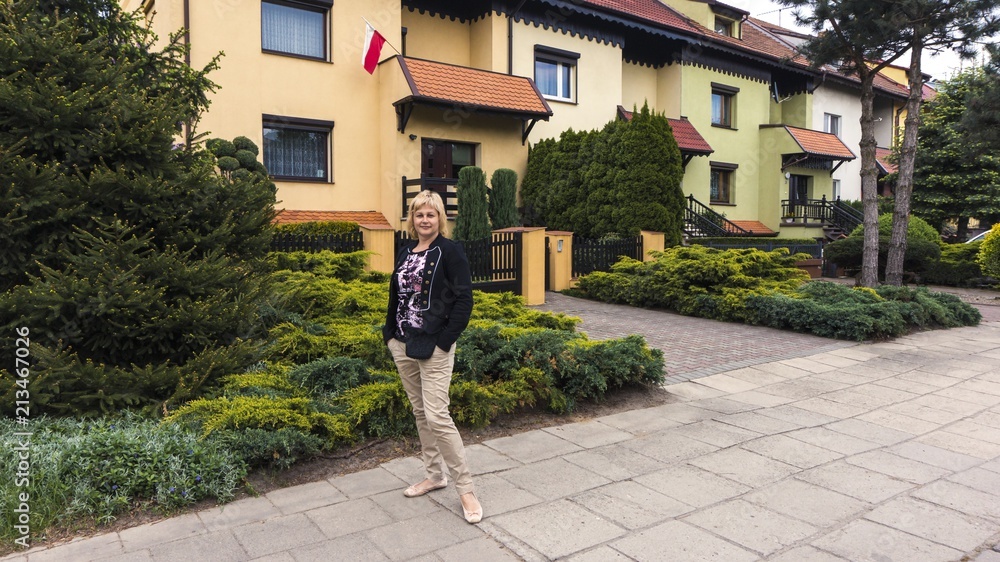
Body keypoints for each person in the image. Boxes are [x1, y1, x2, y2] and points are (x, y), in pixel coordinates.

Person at [383, 189, 483, 524]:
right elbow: (396, 295)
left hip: (435, 346)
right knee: (421, 413)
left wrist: (444, 342)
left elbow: (464, 301)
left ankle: (465, 489)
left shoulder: (450, 252)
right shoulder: (405, 250)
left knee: (438, 416)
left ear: (441, 218)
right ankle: (434, 475)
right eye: (419, 214)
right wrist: (389, 336)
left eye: (431, 214)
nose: (424, 220)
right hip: (403, 344)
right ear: (412, 219)